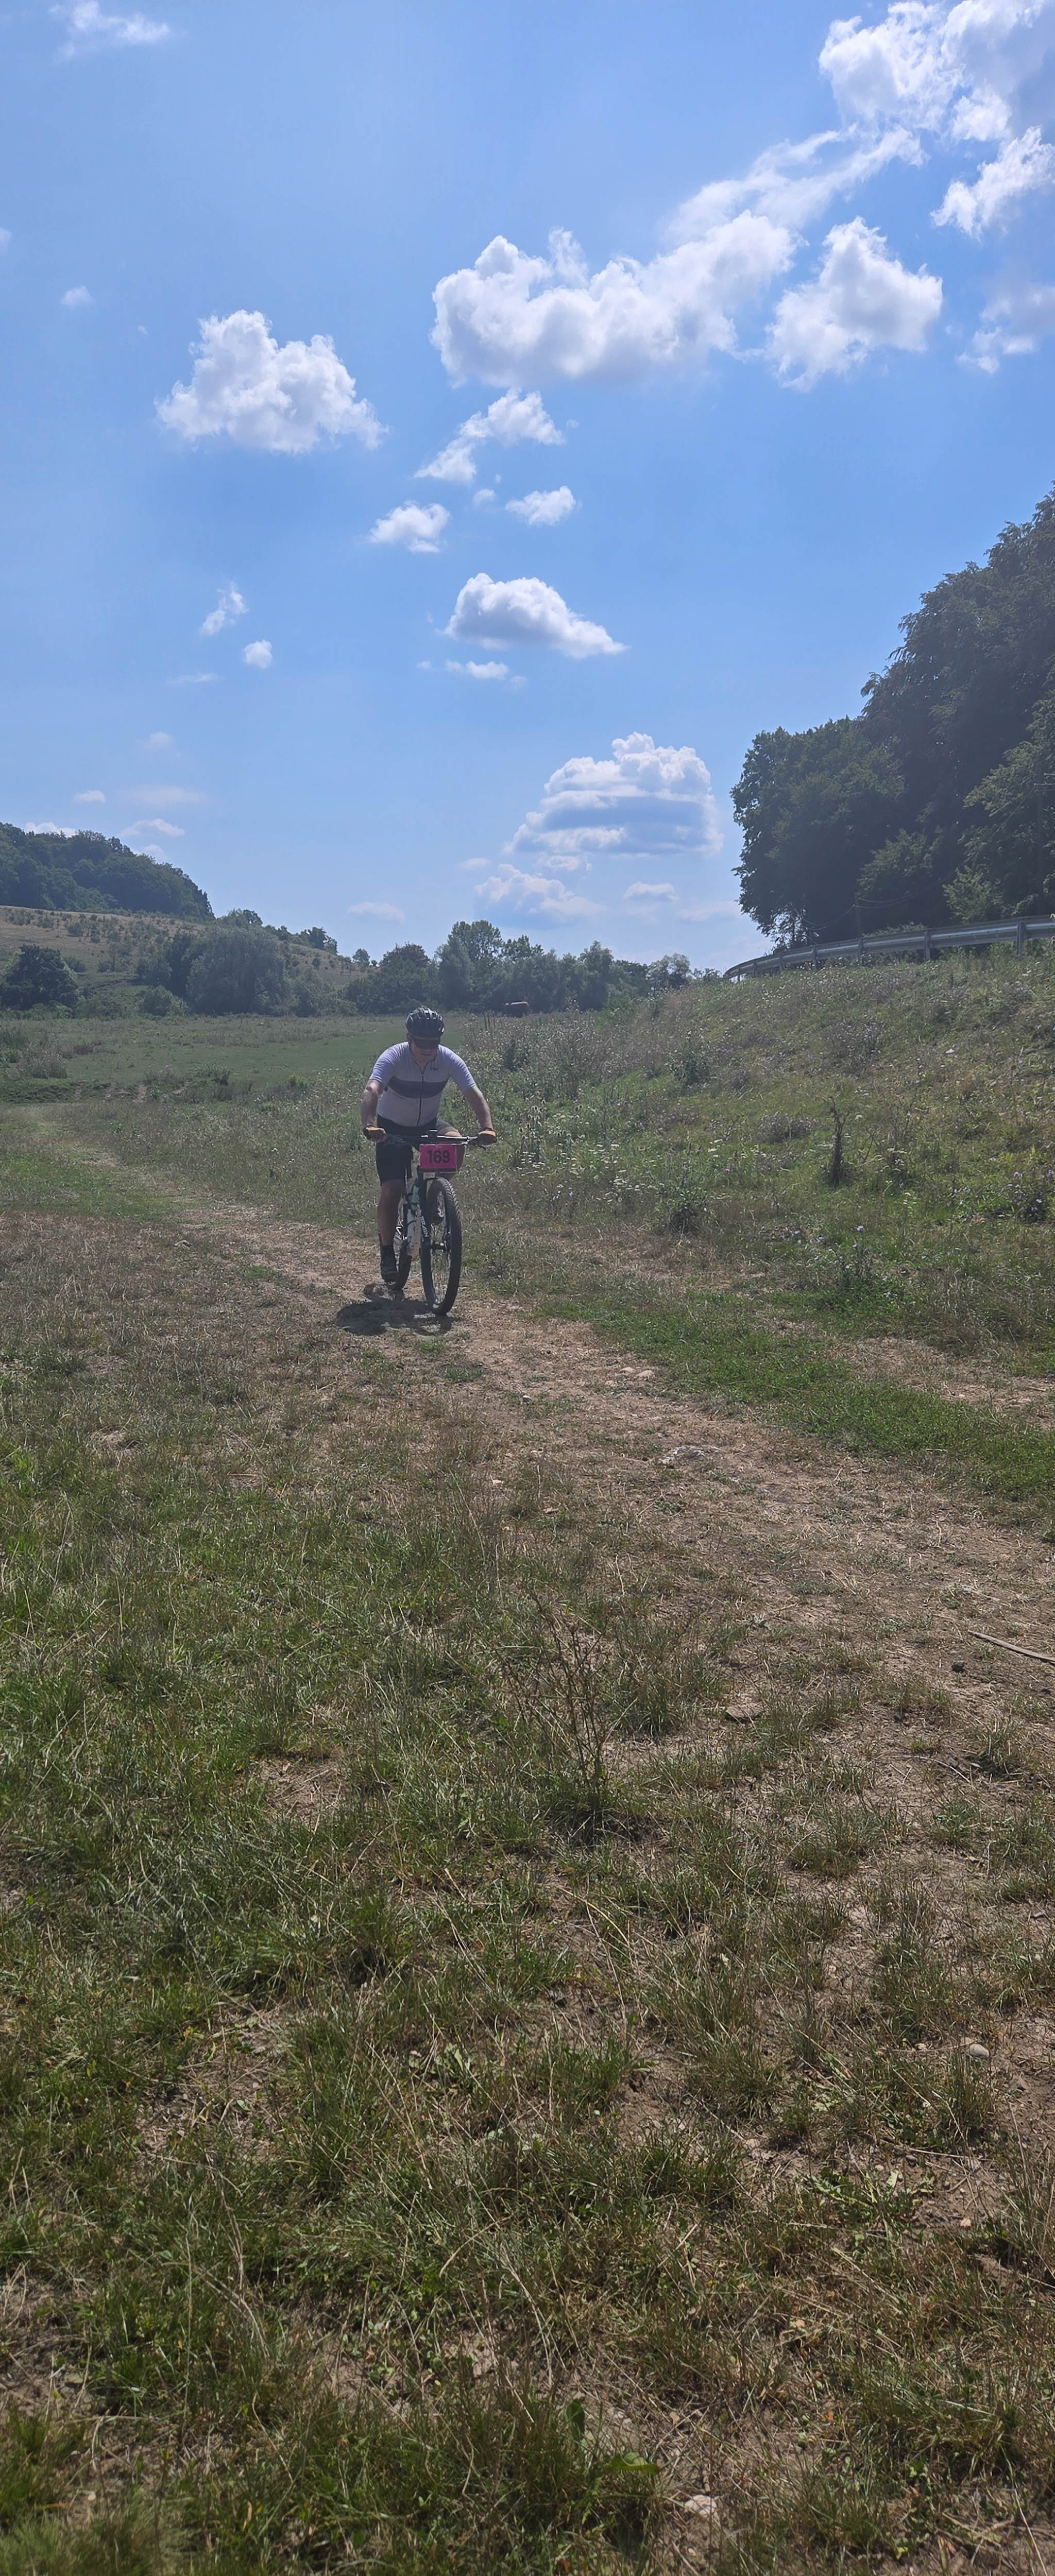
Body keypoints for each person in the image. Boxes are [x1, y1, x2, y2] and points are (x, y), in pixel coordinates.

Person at [361, 1005, 496, 1282]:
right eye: (421, 1043)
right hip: (391, 1128)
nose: (427, 1049)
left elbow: (473, 1093)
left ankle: (433, 1195)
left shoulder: (447, 1059)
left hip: (428, 1124)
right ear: (409, 1038)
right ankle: (387, 1252)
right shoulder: (394, 1056)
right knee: (392, 1188)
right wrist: (370, 1125)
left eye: (433, 1043)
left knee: (456, 1143)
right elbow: (372, 1089)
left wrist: (487, 1127)